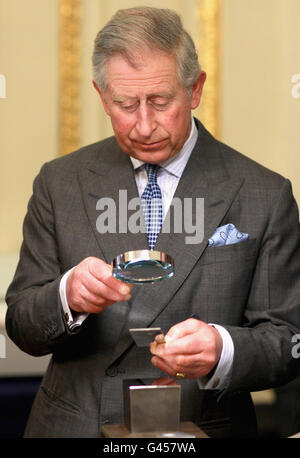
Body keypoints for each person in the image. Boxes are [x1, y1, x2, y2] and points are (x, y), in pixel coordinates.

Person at [5, 6, 300, 438]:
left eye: (161, 102)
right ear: (102, 96)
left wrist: (223, 349)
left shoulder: (264, 194)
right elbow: (21, 325)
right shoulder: (59, 182)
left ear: (195, 88)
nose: (144, 125)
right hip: (75, 425)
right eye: (125, 105)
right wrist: (67, 295)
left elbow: (289, 341)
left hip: (202, 427)